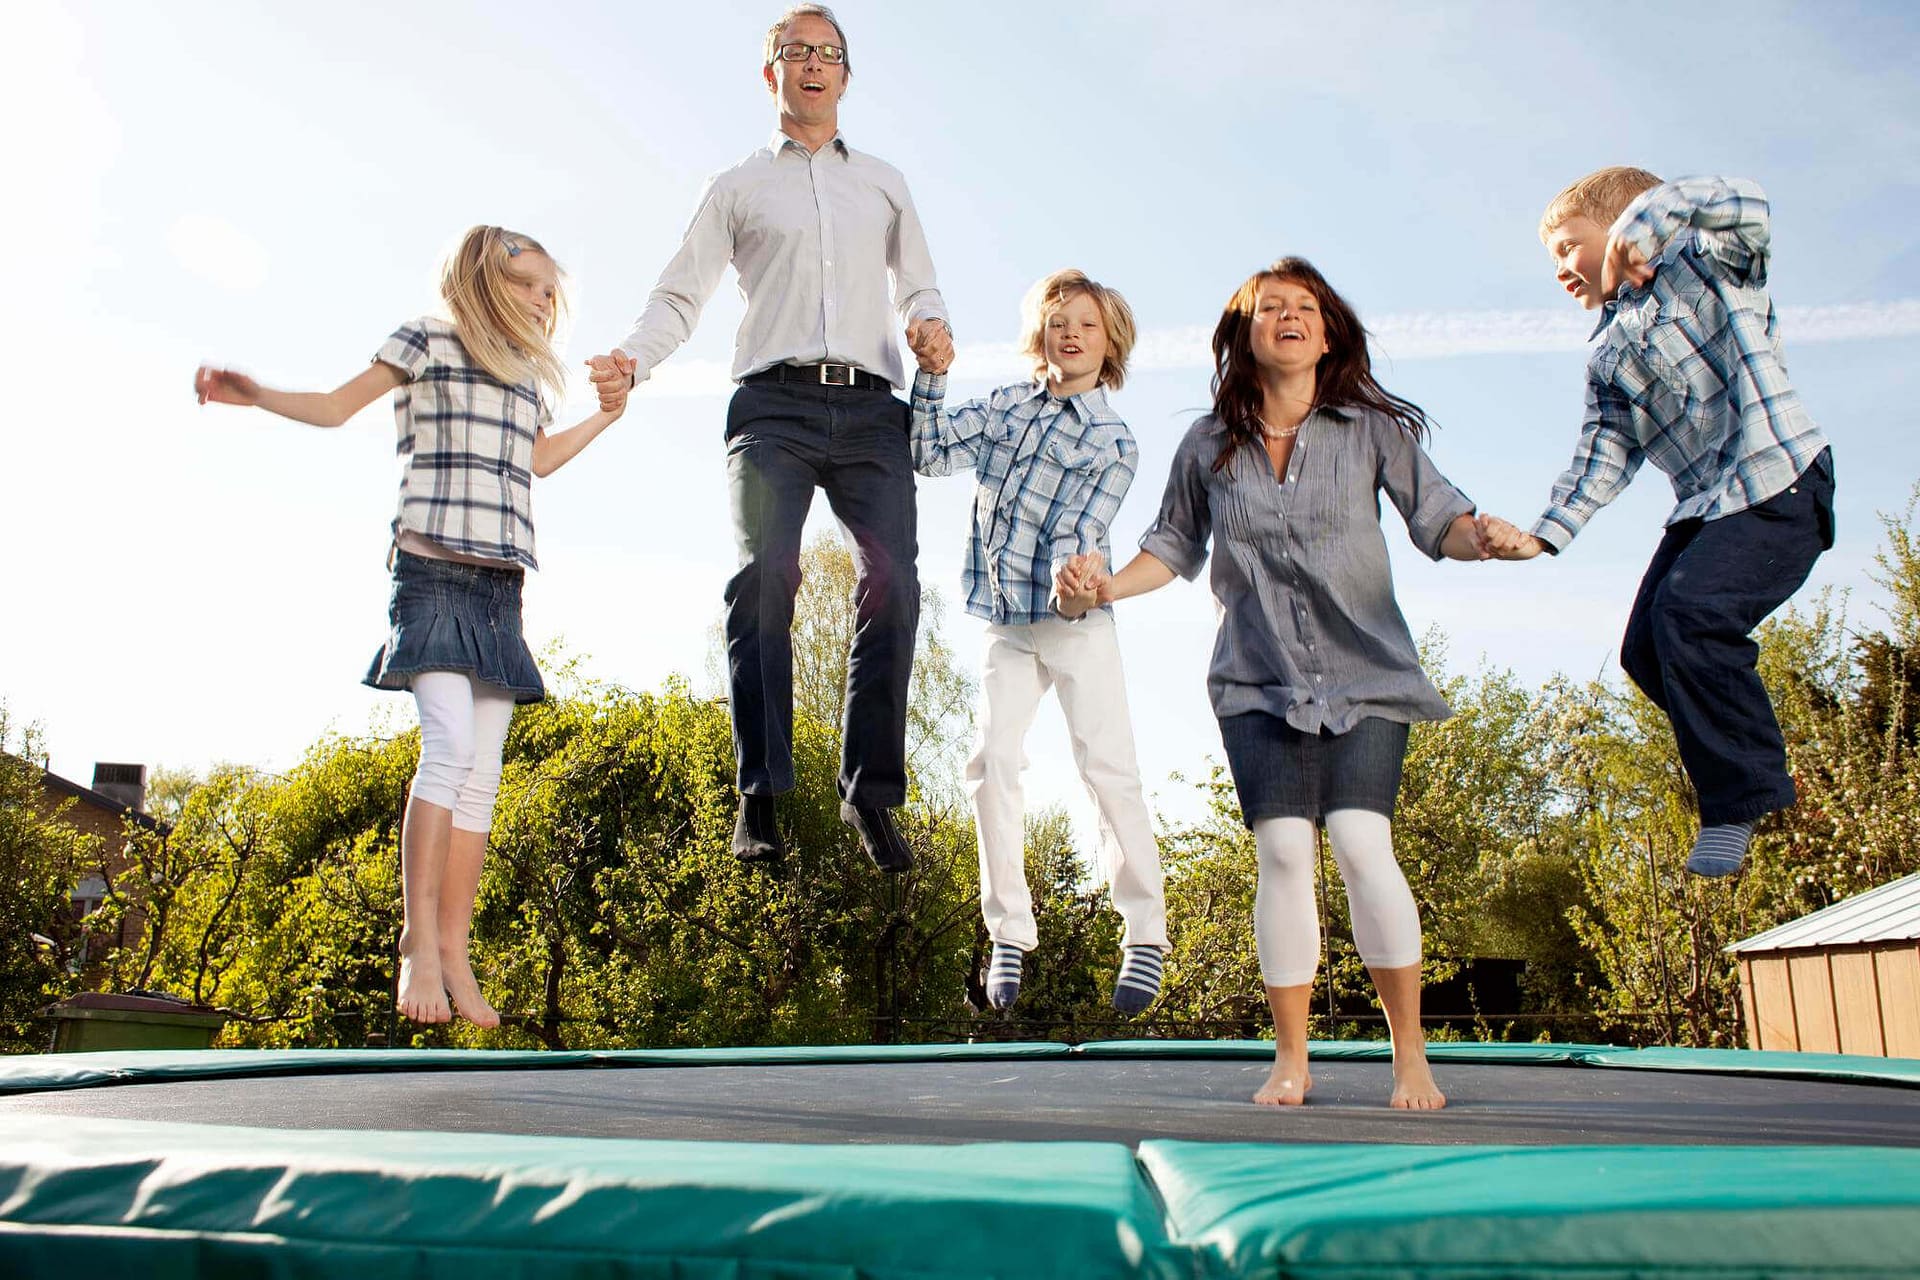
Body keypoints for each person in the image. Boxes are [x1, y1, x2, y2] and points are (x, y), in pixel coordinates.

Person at [1059, 258, 1500, 1109]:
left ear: (1327, 332)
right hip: (1257, 680)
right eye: (1271, 308)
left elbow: (1440, 519)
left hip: (1365, 674)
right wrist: (1106, 586)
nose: (1289, 317)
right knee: (1285, 853)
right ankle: (1292, 1059)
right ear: (1245, 331)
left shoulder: (1370, 430)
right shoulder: (1208, 444)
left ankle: (1411, 1057)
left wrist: (1487, 539)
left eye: (1305, 308)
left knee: (1365, 845)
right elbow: (1174, 547)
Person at [193, 225, 632, 1026]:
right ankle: (417, 945)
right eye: (532, 284)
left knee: (485, 775)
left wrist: (607, 416)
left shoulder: (528, 375)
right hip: (430, 574)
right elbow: (334, 407)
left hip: (501, 590)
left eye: (549, 289)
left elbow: (537, 461)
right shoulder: (426, 340)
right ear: (486, 282)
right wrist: (256, 394)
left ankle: (456, 951)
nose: (546, 299)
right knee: (451, 749)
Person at [587, 5, 951, 874]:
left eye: (828, 54)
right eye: (796, 53)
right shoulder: (737, 186)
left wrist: (931, 326)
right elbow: (682, 295)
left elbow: (920, 287)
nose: (813, 65)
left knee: (895, 586)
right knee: (764, 579)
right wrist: (633, 362)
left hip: (871, 412)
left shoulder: (886, 183)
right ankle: (761, 792)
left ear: (846, 75)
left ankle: (870, 793)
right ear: (771, 75)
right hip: (771, 411)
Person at [1478, 170, 1834, 878]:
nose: (1558, 269)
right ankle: (1739, 756)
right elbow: (1601, 456)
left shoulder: (1711, 266)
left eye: (1567, 247)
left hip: (1778, 483)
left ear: (1617, 229)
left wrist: (1650, 221)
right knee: (1645, 649)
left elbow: (1749, 205)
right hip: (1706, 508)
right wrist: (1546, 532)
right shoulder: (1607, 354)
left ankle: (1743, 798)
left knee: (1688, 616)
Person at [910, 269, 1169, 1014]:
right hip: (1006, 624)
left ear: (1108, 341)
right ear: (1041, 334)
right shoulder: (1004, 409)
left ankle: (1145, 934)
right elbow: (928, 452)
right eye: (1059, 321)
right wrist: (933, 375)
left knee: (1108, 770)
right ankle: (1009, 934)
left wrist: (1077, 576)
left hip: (1075, 621)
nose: (1071, 334)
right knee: (991, 764)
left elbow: (1081, 525)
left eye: (1086, 324)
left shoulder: (1113, 440)